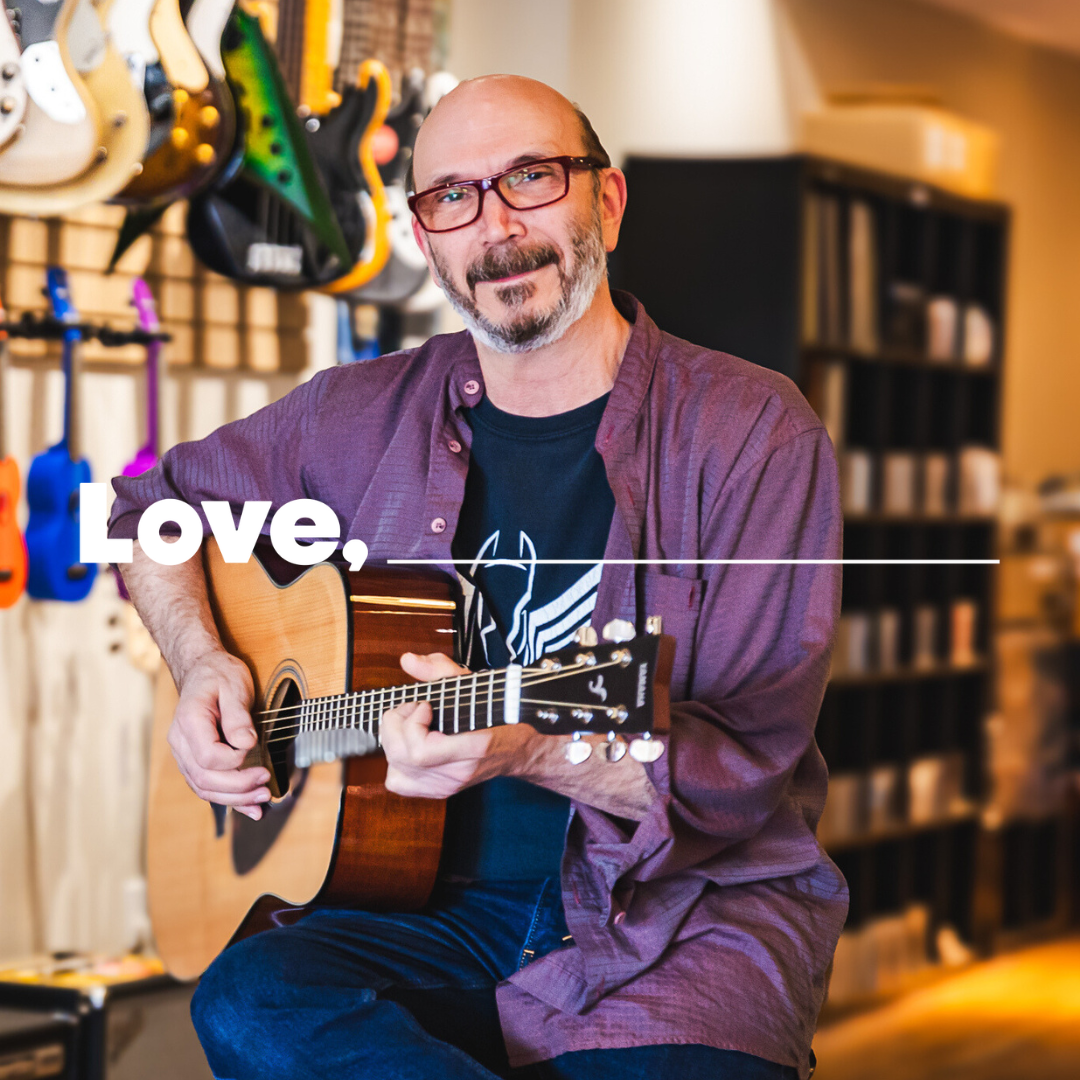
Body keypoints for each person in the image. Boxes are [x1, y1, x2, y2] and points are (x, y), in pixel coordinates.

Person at [110, 76, 847, 1080]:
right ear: (425, 237)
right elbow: (150, 510)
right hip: (413, 909)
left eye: (530, 179)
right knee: (250, 998)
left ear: (609, 202)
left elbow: (744, 768)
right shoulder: (353, 414)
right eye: (452, 196)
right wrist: (202, 660)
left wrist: (533, 746)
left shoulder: (751, 433)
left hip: (677, 923)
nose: (495, 227)